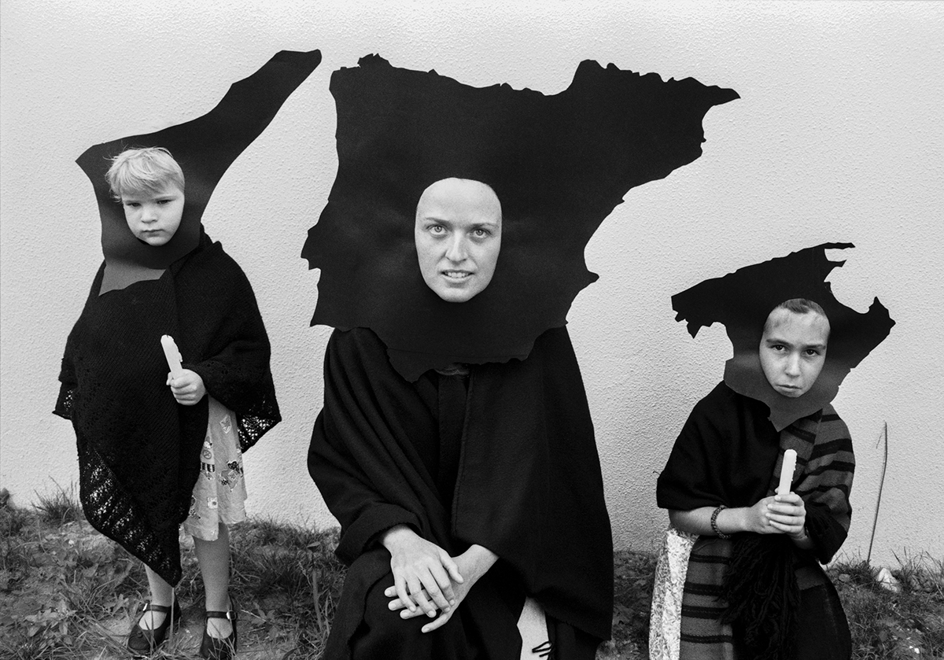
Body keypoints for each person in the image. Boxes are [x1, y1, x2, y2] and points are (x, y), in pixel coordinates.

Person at [308, 178, 613, 659]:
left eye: (478, 233)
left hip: (514, 550)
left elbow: (551, 467)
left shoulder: (537, 337)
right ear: (411, 234)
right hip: (411, 540)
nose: (456, 253)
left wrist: (473, 564)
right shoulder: (360, 338)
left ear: (500, 241)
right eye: (436, 229)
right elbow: (343, 459)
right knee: (397, 613)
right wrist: (403, 542)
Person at [55, 147, 280, 659]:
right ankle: (162, 602)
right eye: (134, 206)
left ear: (188, 199)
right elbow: (91, 344)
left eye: (162, 201)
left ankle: (219, 607)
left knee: (207, 521)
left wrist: (202, 378)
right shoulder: (118, 268)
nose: (148, 216)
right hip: (139, 422)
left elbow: (248, 351)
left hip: (200, 427)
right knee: (149, 508)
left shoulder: (218, 272)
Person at [652, 298, 854, 660]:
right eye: (779, 348)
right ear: (755, 344)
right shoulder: (716, 413)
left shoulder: (830, 429)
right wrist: (747, 518)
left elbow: (827, 530)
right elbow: (680, 513)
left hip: (786, 565)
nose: (793, 369)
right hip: (716, 553)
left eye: (811, 352)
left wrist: (800, 527)